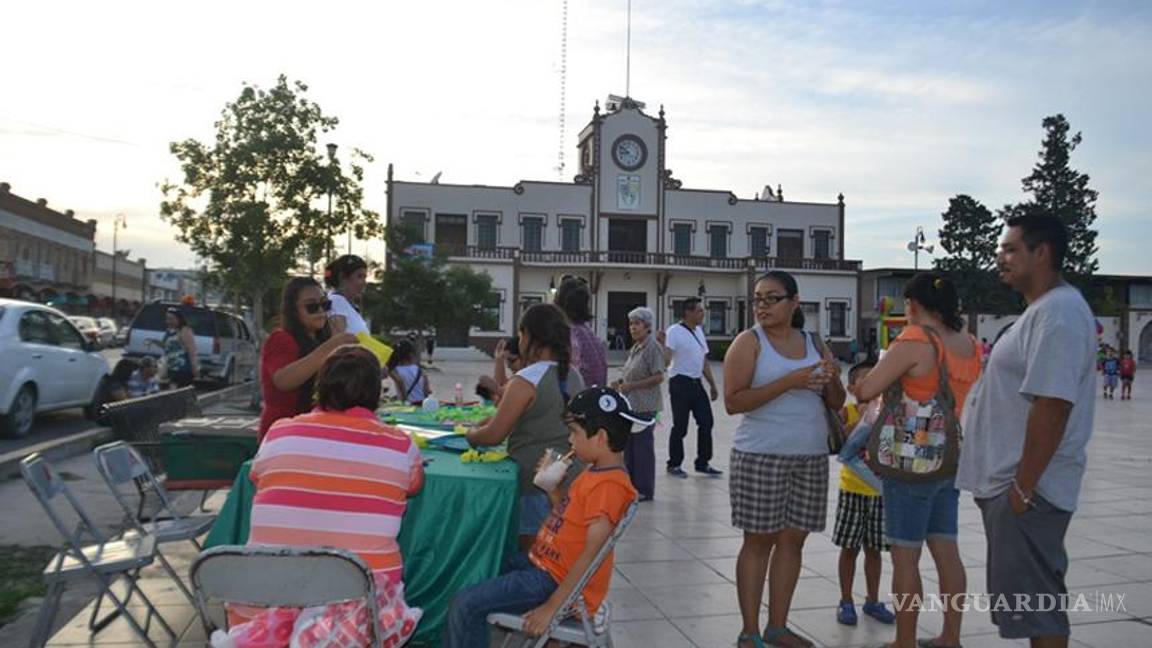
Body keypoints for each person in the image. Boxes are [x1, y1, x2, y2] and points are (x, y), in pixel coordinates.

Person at [957, 213, 1097, 648]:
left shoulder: (1059, 314)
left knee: (1040, 608)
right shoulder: (1041, 312)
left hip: (1029, 491)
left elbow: (1052, 405)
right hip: (1014, 485)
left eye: (1011, 248)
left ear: (1043, 253)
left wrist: (1022, 489)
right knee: (1031, 605)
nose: (1000, 256)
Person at [231, 345, 424, 647]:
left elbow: (257, 476)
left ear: (320, 388)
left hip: (264, 600)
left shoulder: (279, 433)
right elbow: (414, 486)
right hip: (358, 612)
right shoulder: (399, 445)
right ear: (376, 393)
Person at [446, 386, 645, 648]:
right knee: (482, 560)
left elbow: (590, 554)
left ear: (600, 437)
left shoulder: (610, 486)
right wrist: (553, 490)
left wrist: (553, 607)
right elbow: (567, 520)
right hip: (541, 565)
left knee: (466, 605)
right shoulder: (595, 472)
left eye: (574, 433)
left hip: (551, 581)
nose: (569, 441)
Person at [852, 272, 979, 648]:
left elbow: (868, 389)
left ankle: (904, 640)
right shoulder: (969, 344)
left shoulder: (915, 340)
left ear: (914, 305)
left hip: (911, 462)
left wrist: (859, 384)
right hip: (948, 458)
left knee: (905, 558)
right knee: (947, 552)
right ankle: (950, 638)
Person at [723, 271, 844, 648]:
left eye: (771, 298)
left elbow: (837, 402)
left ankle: (778, 626)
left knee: (793, 542)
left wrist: (832, 379)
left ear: (794, 302)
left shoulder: (813, 342)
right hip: (761, 455)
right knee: (758, 541)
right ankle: (749, 631)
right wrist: (791, 380)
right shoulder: (749, 342)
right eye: (757, 299)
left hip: (809, 456)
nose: (762, 306)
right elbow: (733, 401)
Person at [467, 303, 586, 547]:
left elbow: (494, 435)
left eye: (521, 335)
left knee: (532, 556)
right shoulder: (573, 375)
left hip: (536, 483)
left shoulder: (526, 380)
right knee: (558, 552)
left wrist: (471, 434)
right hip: (571, 476)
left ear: (529, 336)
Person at [832, 362, 896, 627]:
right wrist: (861, 420)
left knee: (875, 550)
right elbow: (839, 442)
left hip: (880, 491)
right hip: (852, 489)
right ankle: (846, 600)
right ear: (852, 388)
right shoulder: (846, 412)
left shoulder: (888, 413)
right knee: (850, 548)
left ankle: (872, 599)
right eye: (865, 380)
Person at [258, 277, 356, 442]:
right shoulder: (281, 338)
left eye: (325, 304)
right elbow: (283, 380)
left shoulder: (320, 340)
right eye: (312, 307)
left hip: (310, 433)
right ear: (294, 311)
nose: (320, 311)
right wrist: (332, 344)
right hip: (282, 435)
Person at [662, 297, 722, 477]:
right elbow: (667, 360)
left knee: (706, 422)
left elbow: (703, 360)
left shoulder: (699, 331)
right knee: (680, 426)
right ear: (689, 312)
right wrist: (660, 346)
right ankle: (674, 464)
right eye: (700, 310)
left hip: (697, 383)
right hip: (680, 382)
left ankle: (703, 462)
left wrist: (712, 384)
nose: (703, 314)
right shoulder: (674, 331)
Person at [611, 306, 665, 502]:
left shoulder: (652, 347)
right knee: (630, 448)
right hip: (631, 406)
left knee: (642, 449)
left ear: (647, 326)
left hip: (645, 406)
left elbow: (659, 376)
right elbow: (631, 373)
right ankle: (632, 486)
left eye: (637, 324)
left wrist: (632, 385)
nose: (633, 328)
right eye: (631, 323)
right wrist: (620, 383)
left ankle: (644, 488)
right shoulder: (636, 347)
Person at [555, 276, 607, 388]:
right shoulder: (588, 332)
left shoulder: (569, 333)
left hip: (579, 397)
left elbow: (569, 373)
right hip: (595, 396)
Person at [149, 308, 198, 388]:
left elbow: (191, 349)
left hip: (184, 368)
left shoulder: (184, 330)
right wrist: (154, 341)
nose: (169, 321)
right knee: (173, 391)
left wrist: (194, 367)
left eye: (171, 319)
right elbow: (165, 346)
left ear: (179, 319)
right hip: (171, 367)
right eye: (167, 319)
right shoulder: (169, 331)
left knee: (183, 392)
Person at [324, 254, 370, 335]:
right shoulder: (336, 302)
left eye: (365, 277)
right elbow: (339, 341)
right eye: (360, 277)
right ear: (343, 277)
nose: (364, 283)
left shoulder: (345, 304)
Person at [476, 336, 522, 404]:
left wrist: (497, 389)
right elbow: (504, 387)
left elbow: (516, 399)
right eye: (506, 360)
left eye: (512, 360)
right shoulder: (519, 376)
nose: (508, 365)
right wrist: (499, 360)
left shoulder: (532, 376)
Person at [388, 340, 431, 405]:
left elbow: (400, 383)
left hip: (406, 405)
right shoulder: (420, 369)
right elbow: (426, 391)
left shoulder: (394, 370)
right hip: (421, 404)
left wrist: (405, 400)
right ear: (411, 354)